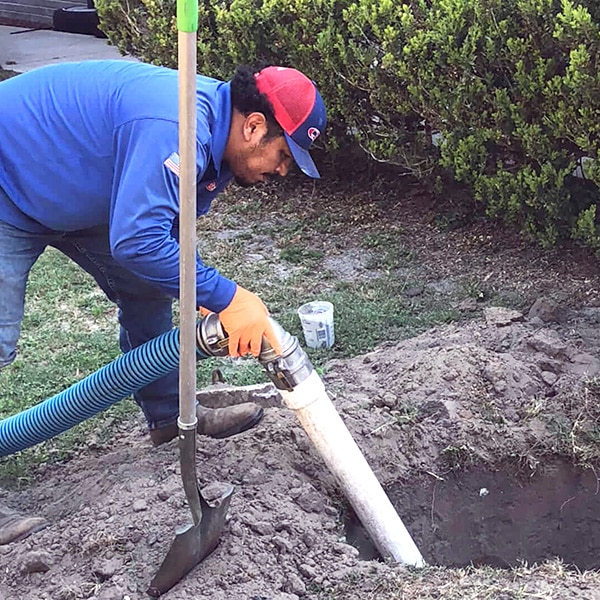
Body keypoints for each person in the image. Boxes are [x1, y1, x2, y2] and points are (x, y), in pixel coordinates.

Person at [0, 60, 327, 542]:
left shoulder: (215, 144)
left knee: (147, 288)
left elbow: (165, 231)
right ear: (254, 125)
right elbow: (136, 240)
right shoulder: (178, 127)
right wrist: (227, 296)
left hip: (77, 192)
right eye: (283, 155)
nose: (282, 170)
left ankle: (169, 419)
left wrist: (203, 296)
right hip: (8, 181)